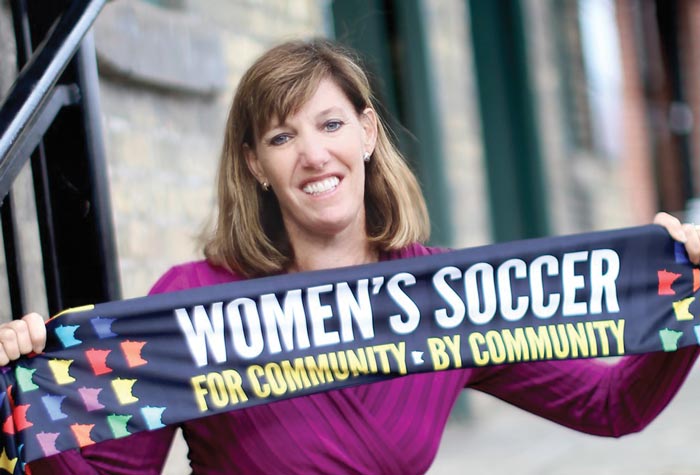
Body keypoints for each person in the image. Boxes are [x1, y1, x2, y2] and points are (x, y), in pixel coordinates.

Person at [1, 39, 699, 474]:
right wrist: (25, 397)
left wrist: (686, 299)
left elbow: (611, 406)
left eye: (331, 124)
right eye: (281, 137)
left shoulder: (451, 297)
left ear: (366, 133)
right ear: (253, 164)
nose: (313, 155)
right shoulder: (193, 302)